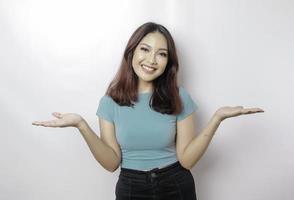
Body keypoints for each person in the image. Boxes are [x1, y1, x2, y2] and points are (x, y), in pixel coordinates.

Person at [32, 22, 264, 200]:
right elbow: (112, 162)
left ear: (168, 62)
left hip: (176, 184)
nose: (152, 59)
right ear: (132, 52)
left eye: (162, 54)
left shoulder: (179, 96)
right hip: (131, 187)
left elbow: (187, 159)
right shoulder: (109, 102)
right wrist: (81, 125)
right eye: (145, 49)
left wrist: (217, 119)